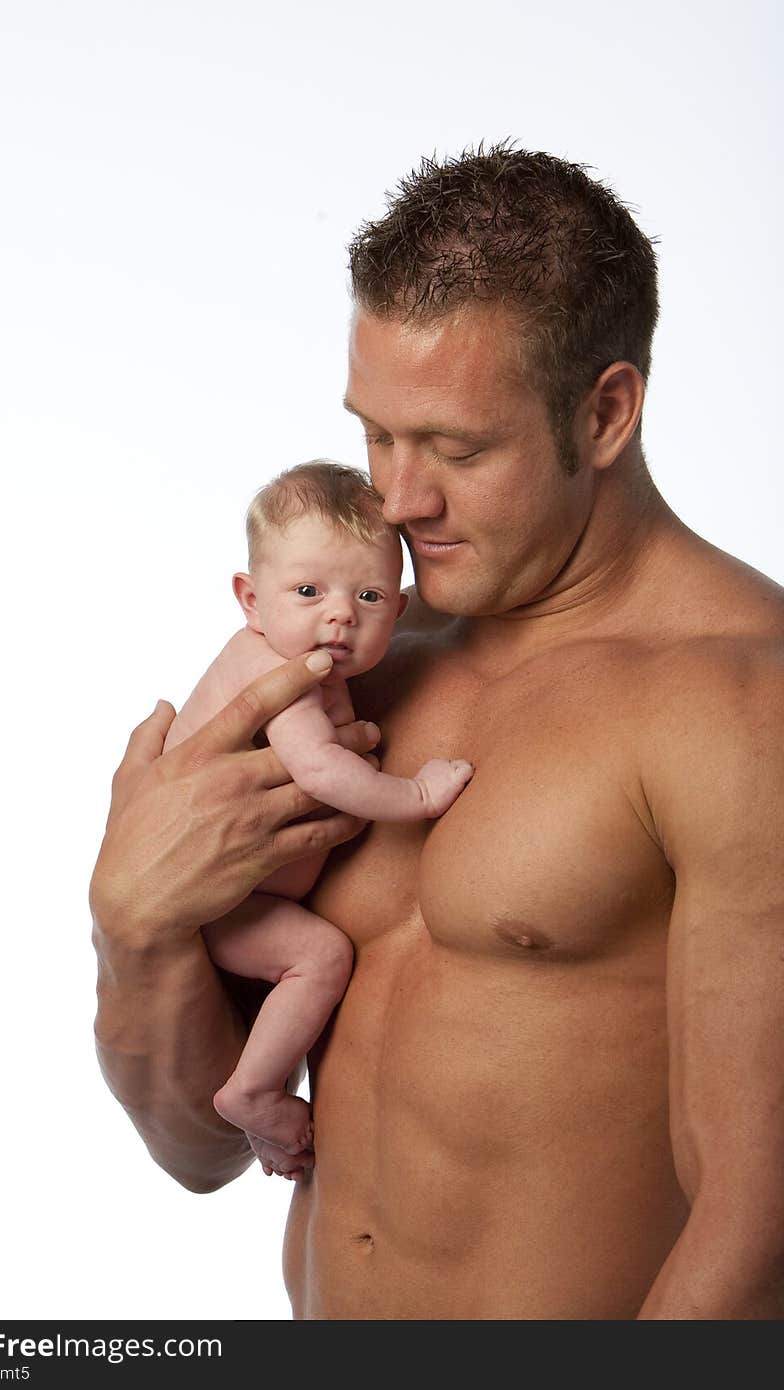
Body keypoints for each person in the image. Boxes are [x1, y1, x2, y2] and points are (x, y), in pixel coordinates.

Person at [90, 143, 784, 1319]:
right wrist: (134, 924)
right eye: (375, 434)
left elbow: (754, 1220)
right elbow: (202, 1148)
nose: (397, 501)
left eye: (457, 448)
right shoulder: (362, 680)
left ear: (605, 411)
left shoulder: (738, 705)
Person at [160, 460, 472, 1175]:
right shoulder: (276, 671)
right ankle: (253, 1090)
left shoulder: (312, 662)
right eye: (308, 592)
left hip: (244, 895)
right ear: (250, 598)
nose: (340, 615)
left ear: (398, 609)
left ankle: (267, 1115)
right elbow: (323, 770)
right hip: (221, 902)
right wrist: (416, 798)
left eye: (367, 595)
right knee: (321, 957)